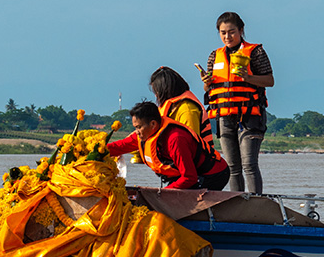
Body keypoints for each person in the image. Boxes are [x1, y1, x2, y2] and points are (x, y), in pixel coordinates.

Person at [201, 11, 273, 194]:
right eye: (223, 32)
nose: (227, 36)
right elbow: (209, 91)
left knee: (249, 164)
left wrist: (248, 77)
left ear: (241, 30)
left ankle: (257, 203)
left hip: (250, 116)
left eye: (231, 31)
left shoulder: (255, 52)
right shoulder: (213, 56)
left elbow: (269, 81)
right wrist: (206, 83)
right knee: (233, 167)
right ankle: (237, 203)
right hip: (224, 117)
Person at [107, 100, 230, 190]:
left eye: (139, 127)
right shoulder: (143, 135)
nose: (136, 132)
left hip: (213, 175)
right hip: (190, 175)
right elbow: (119, 147)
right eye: (135, 127)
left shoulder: (176, 139)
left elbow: (189, 177)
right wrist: (96, 149)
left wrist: (162, 193)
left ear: (153, 124)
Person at [149, 66, 215, 151]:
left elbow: (191, 145)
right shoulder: (171, 107)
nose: (155, 95)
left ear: (164, 90)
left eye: (156, 91)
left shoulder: (187, 109)